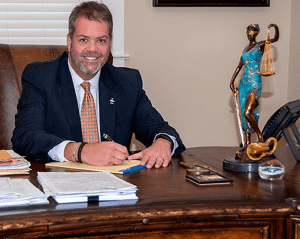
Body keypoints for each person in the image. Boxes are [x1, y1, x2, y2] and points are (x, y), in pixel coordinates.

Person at [12, 1, 185, 169]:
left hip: (117, 187)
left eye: (101, 40)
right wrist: (80, 151)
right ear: (70, 41)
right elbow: (25, 136)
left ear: (110, 43)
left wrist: (163, 143)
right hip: (60, 183)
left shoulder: (126, 82)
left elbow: (159, 128)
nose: (92, 49)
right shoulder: (40, 77)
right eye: (83, 40)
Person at [229, 23, 279, 147]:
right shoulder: (245, 50)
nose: (250, 35)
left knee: (248, 112)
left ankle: (260, 135)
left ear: (256, 34)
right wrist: (232, 80)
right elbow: (239, 66)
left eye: (252, 33)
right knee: (243, 113)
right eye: (248, 33)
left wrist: (275, 27)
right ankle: (247, 143)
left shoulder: (260, 45)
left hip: (255, 82)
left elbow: (275, 39)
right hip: (243, 84)